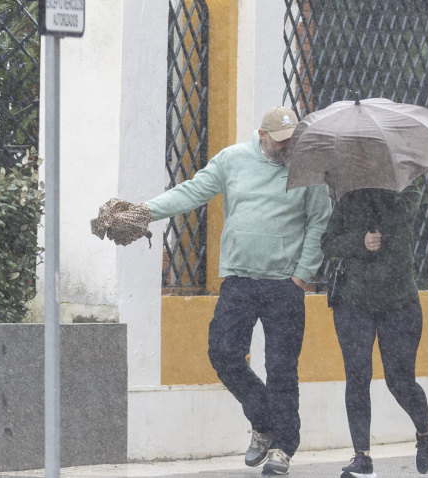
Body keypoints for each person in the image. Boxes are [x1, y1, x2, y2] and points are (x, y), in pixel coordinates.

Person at [139, 106, 331, 474]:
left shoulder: (308, 169)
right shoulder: (233, 160)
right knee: (224, 353)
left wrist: (302, 276)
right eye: (280, 142)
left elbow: (318, 222)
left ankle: (284, 447)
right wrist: (146, 212)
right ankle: (264, 421)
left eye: (292, 141)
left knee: (281, 368)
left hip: (284, 285)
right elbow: (192, 192)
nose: (287, 148)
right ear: (262, 134)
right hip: (240, 279)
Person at [320, 184, 428, 478]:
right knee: (357, 376)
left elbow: (398, 216)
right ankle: (362, 457)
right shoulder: (349, 195)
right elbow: (328, 243)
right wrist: (359, 242)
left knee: (399, 380)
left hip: (398, 302)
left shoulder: (409, 186)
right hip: (353, 302)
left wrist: (374, 193)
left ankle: (425, 430)